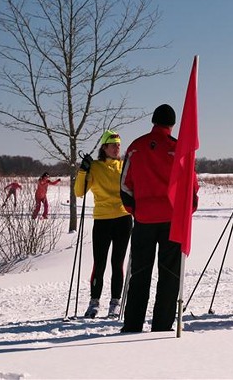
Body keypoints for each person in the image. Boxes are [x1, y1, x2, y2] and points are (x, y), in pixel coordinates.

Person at [119, 104, 199, 333]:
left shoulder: (136, 147)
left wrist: (134, 209)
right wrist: (188, 209)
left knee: (140, 273)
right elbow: (191, 187)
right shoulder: (178, 149)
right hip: (172, 221)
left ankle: (133, 324)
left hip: (144, 219)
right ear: (172, 125)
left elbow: (125, 185)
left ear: (153, 121)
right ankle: (162, 325)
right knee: (169, 274)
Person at [74, 130, 133, 318]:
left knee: (118, 263)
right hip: (102, 220)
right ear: (104, 147)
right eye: (113, 144)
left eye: (119, 145)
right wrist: (83, 170)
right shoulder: (96, 167)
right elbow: (79, 192)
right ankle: (94, 302)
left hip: (123, 219)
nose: (117, 148)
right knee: (99, 264)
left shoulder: (125, 166)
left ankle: (115, 303)